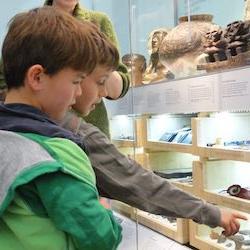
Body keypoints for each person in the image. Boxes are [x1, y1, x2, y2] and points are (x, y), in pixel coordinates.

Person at [44, 0, 246, 237]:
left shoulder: (48, 124)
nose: (101, 94)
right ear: (38, 76)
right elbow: (130, 186)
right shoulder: (72, 130)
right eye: (89, 82)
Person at [0, 6, 122, 250]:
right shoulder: (55, 154)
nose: (78, 93)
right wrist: (104, 209)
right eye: (76, 81)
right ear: (37, 77)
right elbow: (100, 236)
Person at [44, 0, 130, 138]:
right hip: (46, 128)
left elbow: (116, 86)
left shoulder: (98, 21)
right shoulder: (33, 24)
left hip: (90, 130)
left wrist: (95, 52)